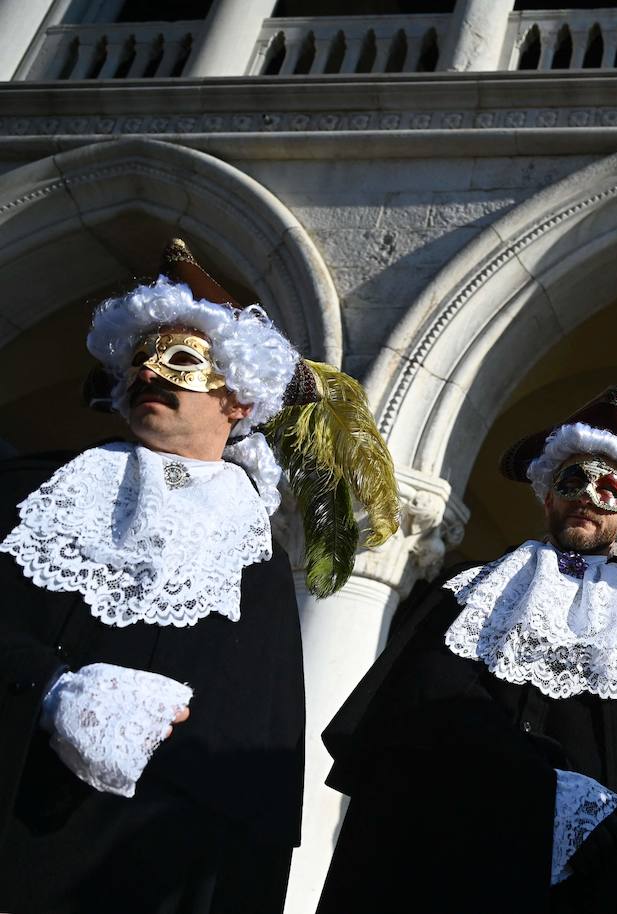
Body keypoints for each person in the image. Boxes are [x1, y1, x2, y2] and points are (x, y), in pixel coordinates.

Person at [0, 239, 397, 913]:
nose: (152, 373)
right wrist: (45, 688)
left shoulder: (260, 562)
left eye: (181, 359)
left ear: (237, 399)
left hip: (142, 878)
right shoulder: (29, 492)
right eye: (139, 359)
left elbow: (254, 770)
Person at [317, 385, 617, 914]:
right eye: (572, 481)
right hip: (457, 856)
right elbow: (418, 717)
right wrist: (540, 789)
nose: (586, 498)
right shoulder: (468, 595)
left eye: (609, 489)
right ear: (548, 496)